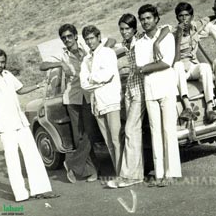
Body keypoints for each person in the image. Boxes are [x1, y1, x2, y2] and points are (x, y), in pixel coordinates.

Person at [0, 48, 59, 202]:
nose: (0, 65)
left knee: (33, 156)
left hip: (20, 122)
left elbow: (20, 89)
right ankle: (21, 194)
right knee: (13, 160)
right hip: (5, 126)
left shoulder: (8, 75)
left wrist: (38, 85)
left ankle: (41, 190)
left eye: (3, 62)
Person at [106, 14, 172, 188]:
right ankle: (136, 174)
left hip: (143, 90)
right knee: (134, 132)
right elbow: (110, 42)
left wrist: (158, 42)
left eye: (128, 28)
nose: (124, 32)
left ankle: (130, 176)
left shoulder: (141, 40)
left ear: (135, 29)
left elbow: (167, 27)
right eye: (122, 28)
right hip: (130, 90)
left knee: (130, 129)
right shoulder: (125, 45)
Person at [40, 24, 99, 183]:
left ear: (75, 36)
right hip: (73, 99)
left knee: (90, 133)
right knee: (80, 136)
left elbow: (112, 41)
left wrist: (99, 50)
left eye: (69, 36)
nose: (67, 40)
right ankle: (91, 171)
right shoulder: (62, 55)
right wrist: (59, 64)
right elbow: (42, 65)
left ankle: (71, 163)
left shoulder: (86, 48)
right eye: (63, 38)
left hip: (90, 96)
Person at [134, 4, 182, 187]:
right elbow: (140, 67)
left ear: (156, 19)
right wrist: (149, 66)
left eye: (148, 18)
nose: (145, 22)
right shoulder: (139, 43)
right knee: (155, 132)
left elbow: (167, 62)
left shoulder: (166, 37)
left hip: (167, 88)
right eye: (142, 19)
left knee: (169, 131)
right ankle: (160, 173)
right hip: (150, 91)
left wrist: (148, 67)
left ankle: (172, 173)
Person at [80, 25, 123, 176]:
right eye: (87, 40)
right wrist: (98, 80)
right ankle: (119, 173)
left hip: (111, 100)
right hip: (97, 103)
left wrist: (92, 77)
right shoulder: (86, 59)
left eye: (92, 38)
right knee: (109, 142)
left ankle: (125, 173)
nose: (90, 42)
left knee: (117, 140)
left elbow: (109, 74)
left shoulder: (107, 52)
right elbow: (83, 84)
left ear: (99, 37)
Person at [172, 2, 216, 124]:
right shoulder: (173, 33)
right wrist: (178, 36)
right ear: (177, 18)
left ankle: (210, 108)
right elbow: (176, 59)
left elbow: (208, 18)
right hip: (181, 68)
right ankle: (187, 107)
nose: (184, 19)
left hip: (193, 65)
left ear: (191, 16)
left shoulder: (196, 26)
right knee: (177, 66)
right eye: (181, 16)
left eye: (187, 15)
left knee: (205, 67)